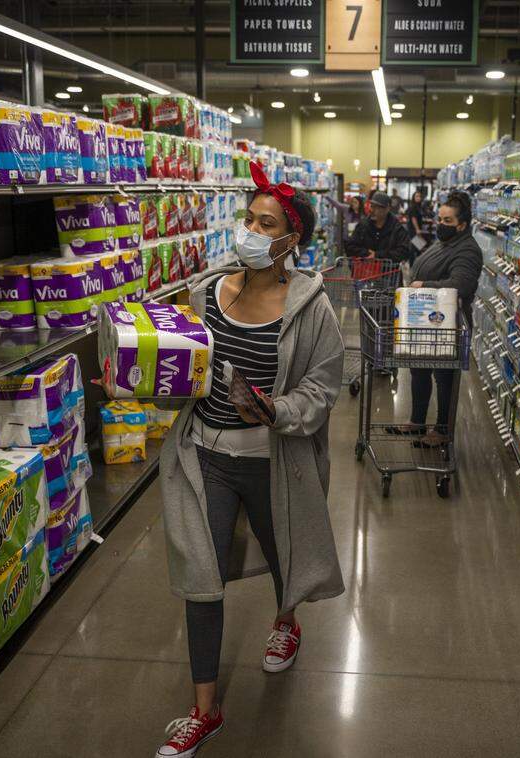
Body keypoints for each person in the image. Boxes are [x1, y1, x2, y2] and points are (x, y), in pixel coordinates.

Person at [155, 162, 345, 758]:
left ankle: (287, 620)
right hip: (205, 456)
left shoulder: (312, 308)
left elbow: (323, 387)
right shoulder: (208, 291)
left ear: (291, 241)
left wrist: (278, 409)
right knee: (200, 577)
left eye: (266, 224)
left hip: (273, 461)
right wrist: (145, 374)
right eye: (248, 219)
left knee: (286, 553)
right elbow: (182, 363)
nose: (252, 232)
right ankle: (204, 710)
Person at [392, 190, 482, 448]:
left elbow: (461, 284)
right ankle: (417, 421)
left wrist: (424, 284)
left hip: (449, 324)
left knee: (445, 377)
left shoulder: (468, 250)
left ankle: (442, 430)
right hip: (426, 321)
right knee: (418, 370)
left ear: (462, 225)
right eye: (439, 219)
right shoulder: (445, 242)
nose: (441, 225)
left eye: (447, 221)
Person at [344, 189, 415, 262]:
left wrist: (378, 255)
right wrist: (366, 253)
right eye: (372, 206)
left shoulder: (397, 228)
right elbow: (350, 246)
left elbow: (404, 251)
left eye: (377, 207)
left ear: (387, 209)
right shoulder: (363, 225)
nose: (372, 210)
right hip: (365, 270)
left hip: (388, 271)